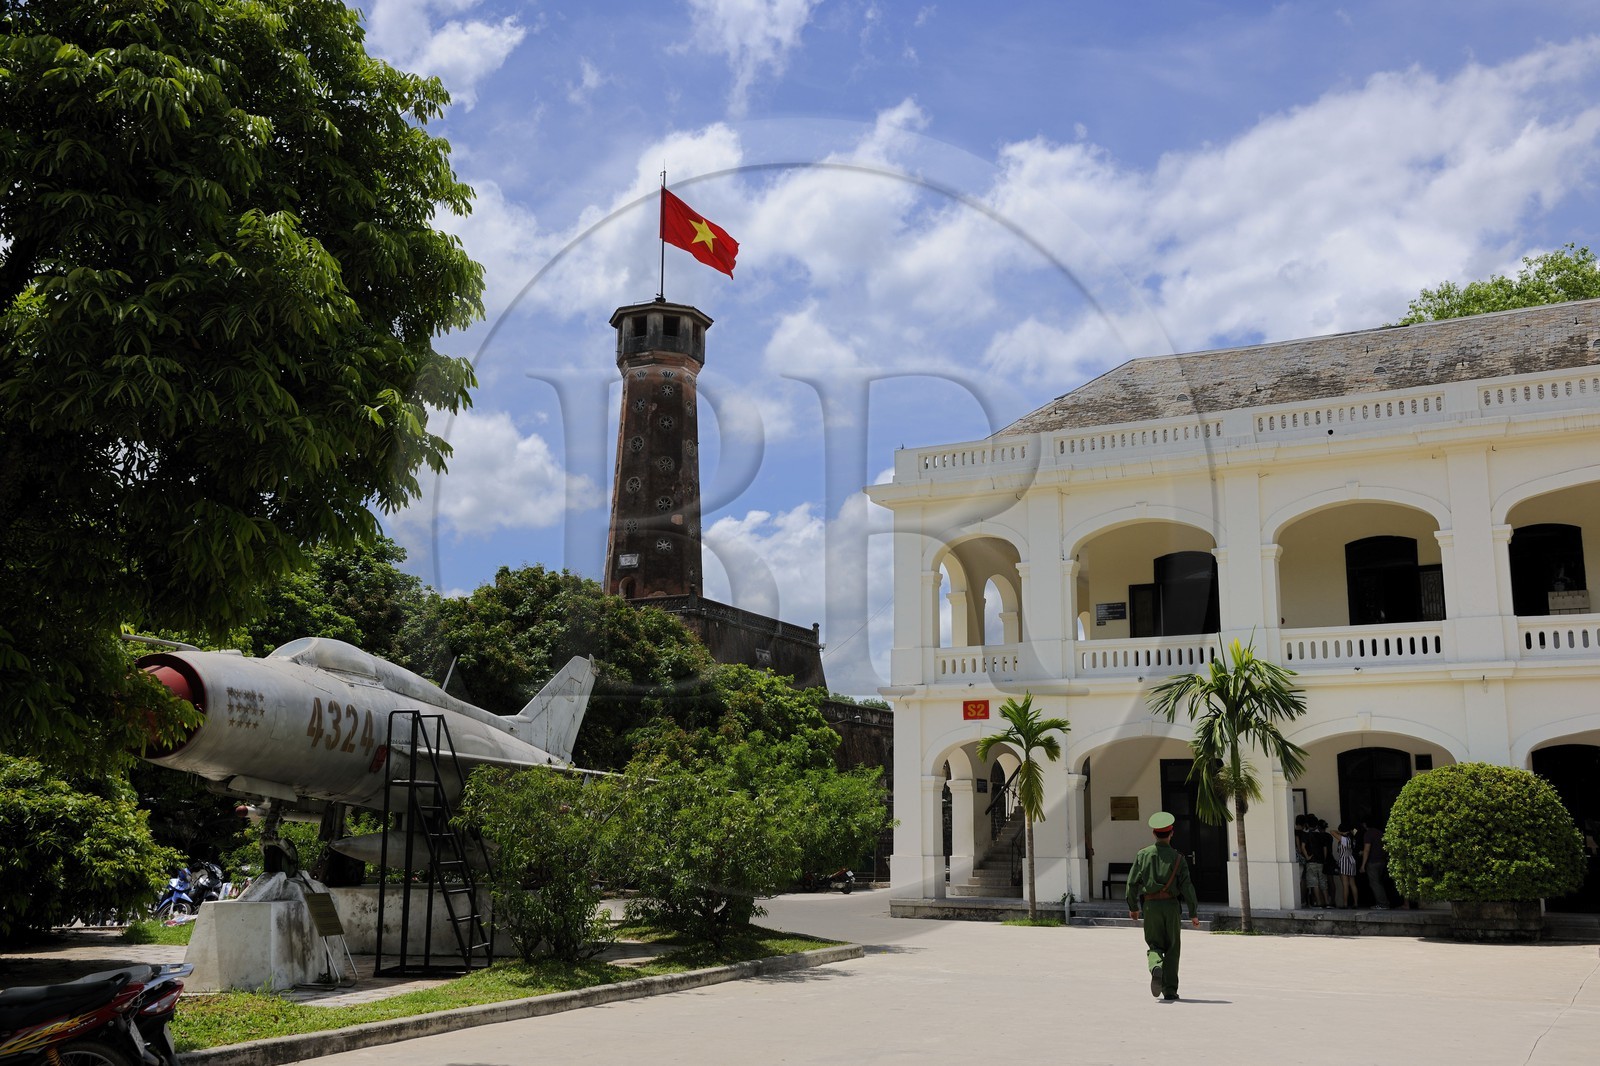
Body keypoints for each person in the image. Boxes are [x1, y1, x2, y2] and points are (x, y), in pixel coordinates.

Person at [1126, 811, 1200, 1002]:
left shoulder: (1143, 855)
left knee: (1154, 944)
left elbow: (1132, 883)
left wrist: (1133, 907)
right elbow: (1187, 887)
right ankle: (1170, 990)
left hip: (1150, 906)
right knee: (1173, 947)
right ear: (1171, 833)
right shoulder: (1178, 858)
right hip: (1171, 907)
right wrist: (1193, 912)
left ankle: (1156, 965)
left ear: (1154, 833)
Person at [1360, 820, 1391, 909]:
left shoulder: (1368, 833)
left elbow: (1367, 849)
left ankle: (1382, 904)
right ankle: (1383, 902)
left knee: (1375, 883)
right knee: (1379, 882)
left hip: (1373, 861)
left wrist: (1363, 865)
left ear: (1365, 824)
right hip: (1382, 860)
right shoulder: (1380, 833)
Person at [1331, 823, 1359, 907]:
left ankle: (1345, 903)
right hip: (1351, 860)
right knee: (1352, 884)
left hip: (1344, 861)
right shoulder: (1352, 839)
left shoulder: (1344, 839)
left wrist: (1341, 833)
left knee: (1345, 884)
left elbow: (1331, 831)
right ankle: (1356, 903)